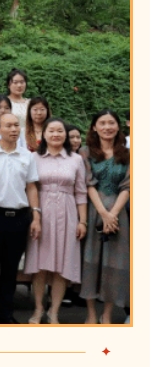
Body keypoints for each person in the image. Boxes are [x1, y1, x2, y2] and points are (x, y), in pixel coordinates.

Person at [0, 113, 40, 324]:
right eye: (8, 126)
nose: (14, 129)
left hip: (19, 218)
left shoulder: (27, 156)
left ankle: (5, 314)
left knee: (10, 269)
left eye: (16, 125)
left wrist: (36, 216)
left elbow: (31, 187)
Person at [23, 117, 87, 324]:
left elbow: (81, 192)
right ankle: (38, 308)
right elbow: (30, 187)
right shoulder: (34, 157)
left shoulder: (76, 159)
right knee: (40, 264)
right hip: (41, 212)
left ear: (66, 135)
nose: (56, 134)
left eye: (60, 131)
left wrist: (82, 221)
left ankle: (54, 312)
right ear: (44, 134)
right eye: (51, 131)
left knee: (62, 264)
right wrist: (35, 215)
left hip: (67, 213)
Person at [79, 110, 129, 324]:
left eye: (111, 123)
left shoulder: (129, 154)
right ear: (94, 127)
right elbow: (88, 183)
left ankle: (106, 315)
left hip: (119, 213)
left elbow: (128, 185)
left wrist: (113, 214)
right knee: (90, 261)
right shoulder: (85, 152)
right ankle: (91, 314)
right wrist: (103, 213)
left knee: (115, 264)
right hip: (93, 211)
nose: (107, 127)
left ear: (118, 127)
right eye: (102, 123)